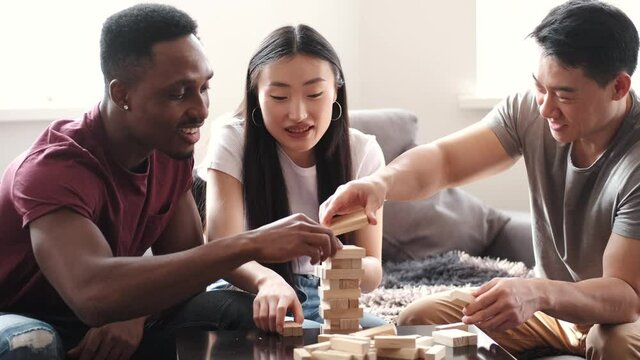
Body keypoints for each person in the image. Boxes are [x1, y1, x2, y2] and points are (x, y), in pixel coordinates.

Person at [0, 4, 340, 360]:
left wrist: (136, 312)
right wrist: (251, 243)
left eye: (203, 87)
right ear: (122, 95)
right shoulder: (54, 168)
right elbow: (91, 292)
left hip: (107, 319)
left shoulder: (168, 150)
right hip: (26, 317)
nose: (201, 109)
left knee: (242, 315)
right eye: (178, 93)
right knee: (33, 343)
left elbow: (192, 268)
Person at [319, 0, 640, 358]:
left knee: (611, 342)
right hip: (552, 310)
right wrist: (381, 184)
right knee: (419, 318)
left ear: (619, 87)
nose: (546, 108)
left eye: (565, 95)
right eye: (540, 87)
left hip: (623, 317)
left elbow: (625, 296)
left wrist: (538, 292)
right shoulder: (531, 113)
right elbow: (444, 161)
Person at [200, 24, 387, 333]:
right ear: (256, 95)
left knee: (380, 336)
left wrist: (344, 263)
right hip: (246, 290)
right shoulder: (233, 138)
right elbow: (222, 250)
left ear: (336, 89)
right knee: (301, 337)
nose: (298, 113)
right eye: (279, 96)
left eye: (314, 94)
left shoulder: (362, 151)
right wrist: (268, 280)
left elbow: (373, 269)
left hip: (321, 296)